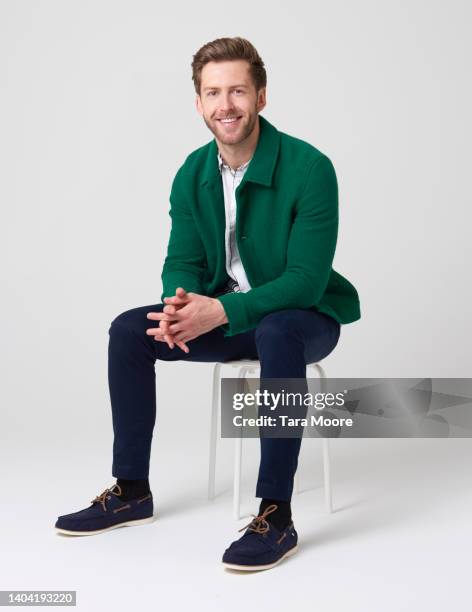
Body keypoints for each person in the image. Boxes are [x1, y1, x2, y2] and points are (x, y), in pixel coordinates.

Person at [55, 36, 361, 571]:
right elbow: (183, 260)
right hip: (230, 314)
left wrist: (219, 312)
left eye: (238, 90)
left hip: (303, 319)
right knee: (129, 331)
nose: (226, 105)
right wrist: (178, 305)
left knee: (278, 332)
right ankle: (131, 490)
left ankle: (276, 515)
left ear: (261, 96)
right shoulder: (192, 172)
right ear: (198, 103)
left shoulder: (311, 168)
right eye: (213, 93)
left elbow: (306, 282)